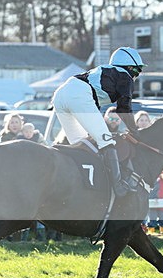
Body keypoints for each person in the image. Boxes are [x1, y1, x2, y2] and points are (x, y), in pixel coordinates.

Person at [51, 46, 144, 197]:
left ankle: (76, 184)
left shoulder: (106, 72)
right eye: (137, 70)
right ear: (129, 67)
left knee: (81, 145)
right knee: (106, 142)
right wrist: (134, 130)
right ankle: (118, 186)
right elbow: (123, 109)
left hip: (60, 94)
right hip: (78, 94)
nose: (138, 74)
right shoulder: (125, 76)